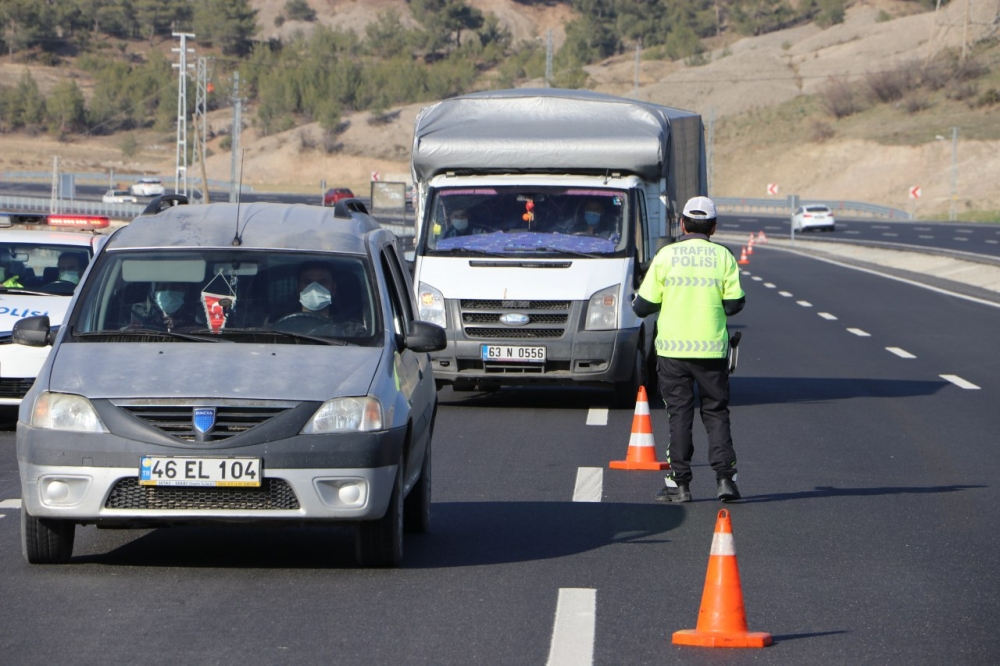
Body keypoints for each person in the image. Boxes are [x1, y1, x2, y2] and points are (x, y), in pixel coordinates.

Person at [632, 195, 746, 503]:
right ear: (714, 227)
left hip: (672, 350)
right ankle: (726, 479)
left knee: (679, 416)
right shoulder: (723, 257)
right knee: (716, 412)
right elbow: (735, 303)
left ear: (682, 224)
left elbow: (643, 306)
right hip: (711, 350)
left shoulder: (666, 255)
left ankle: (678, 484)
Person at [128, 281, 202, 331]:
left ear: (185, 293)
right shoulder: (138, 329)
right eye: (162, 288)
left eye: (175, 288)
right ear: (153, 294)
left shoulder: (201, 331)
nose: (168, 293)